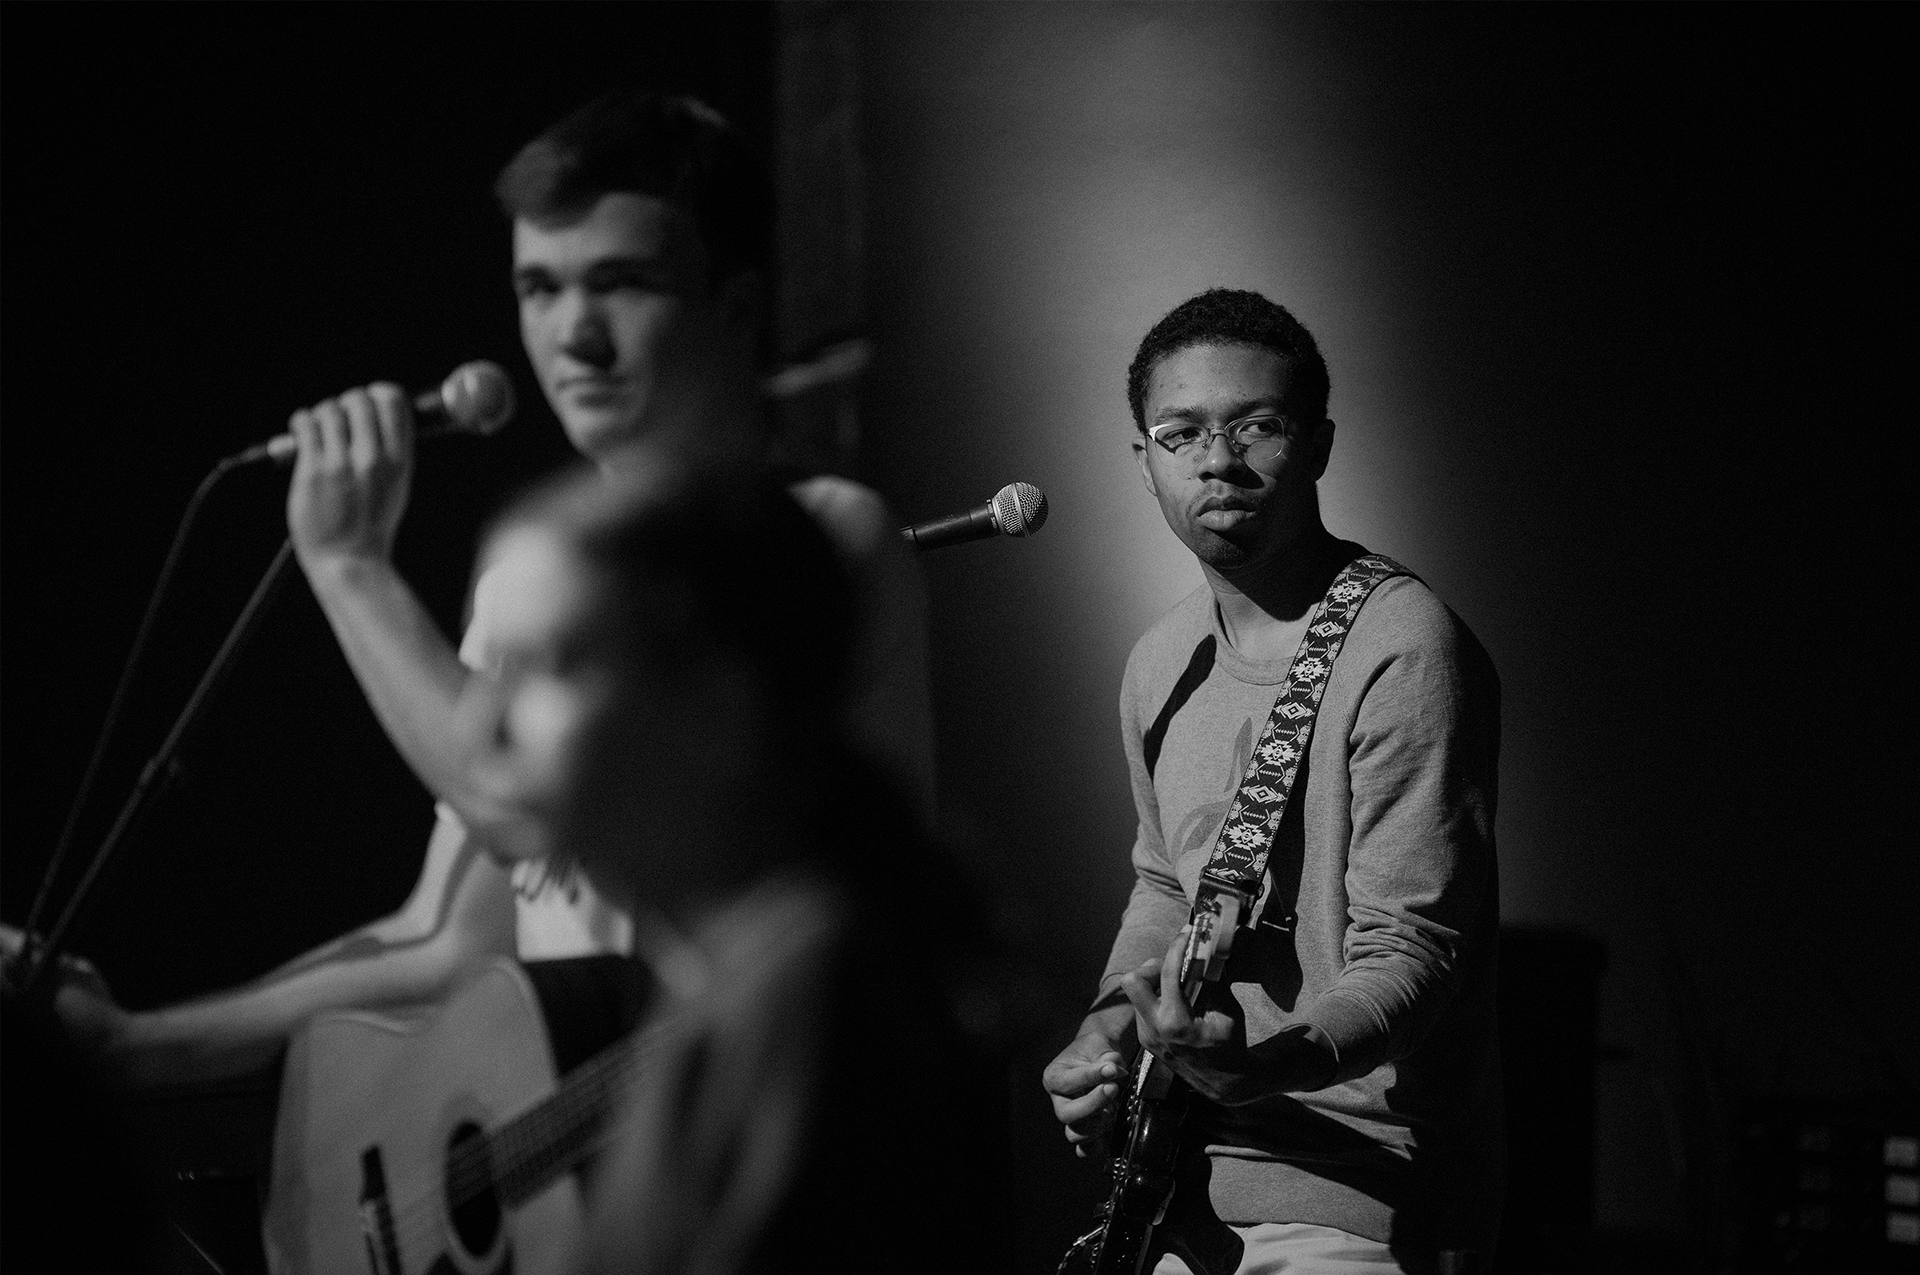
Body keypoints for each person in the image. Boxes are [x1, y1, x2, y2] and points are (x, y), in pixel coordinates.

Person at [24, 91, 934, 1089]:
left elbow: (522, 806)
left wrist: (350, 569)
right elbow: (451, 941)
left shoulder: (823, 537)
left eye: (621, 283)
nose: (574, 335)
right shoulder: (522, 591)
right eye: (539, 288)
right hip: (601, 1152)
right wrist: (137, 1045)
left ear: (737, 305)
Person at [1041, 289, 1502, 1273]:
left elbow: (1413, 950)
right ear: (1144, 462)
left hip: (1359, 1195)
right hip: (1179, 1184)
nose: (1218, 460)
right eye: (1181, 435)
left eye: (1257, 426)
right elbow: (1167, 886)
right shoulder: (1161, 662)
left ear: (1320, 445)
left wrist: (1262, 1067)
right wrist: (1106, 1030)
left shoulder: (1402, 648)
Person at [456, 451, 998, 1273]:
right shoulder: (754, 972)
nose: (481, 726)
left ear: (721, 697)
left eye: (547, 665)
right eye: (493, 669)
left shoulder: (811, 1006)